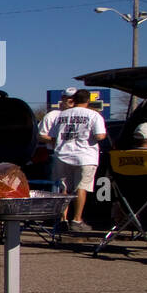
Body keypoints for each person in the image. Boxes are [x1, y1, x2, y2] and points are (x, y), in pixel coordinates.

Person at [39, 88, 106, 231]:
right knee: (81, 188)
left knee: (64, 188)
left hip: (62, 155)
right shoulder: (94, 115)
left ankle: (63, 219)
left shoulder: (61, 115)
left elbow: (51, 135)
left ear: (74, 100)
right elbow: (100, 136)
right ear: (88, 100)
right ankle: (77, 220)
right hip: (85, 156)